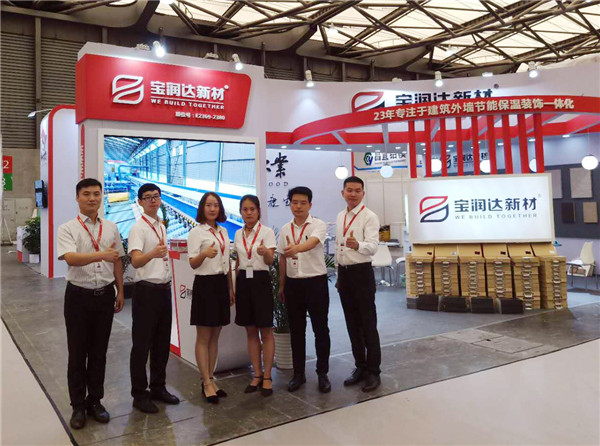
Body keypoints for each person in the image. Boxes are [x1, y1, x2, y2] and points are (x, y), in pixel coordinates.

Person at [57, 178, 125, 430]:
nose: (92, 198)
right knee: (77, 353)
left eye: (96, 193)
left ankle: (95, 401)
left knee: (99, 352)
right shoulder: (67, 228)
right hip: (78, 297)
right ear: (78, 198)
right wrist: (100, 255)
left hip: (105, 296)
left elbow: (117, 260)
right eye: (86, 194)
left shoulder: (111, 227)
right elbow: (70, 258)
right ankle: (77, 406)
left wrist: (120, 289)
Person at [128, 183, 180, 413]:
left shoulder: (161, 225)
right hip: (146, 291)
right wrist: (152, 253)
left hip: (163, 290)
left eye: (156, 196)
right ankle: (140, 394)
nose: (152, 200)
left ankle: (158, 387)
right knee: (142, 345)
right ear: (140, 202)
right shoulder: (138, 228)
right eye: (147, 197)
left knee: (161, 343)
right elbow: (136, 261)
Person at [277, 186, 331, 393]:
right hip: (293, 285)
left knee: (320, 329)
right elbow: (282, 258)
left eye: (302, 203)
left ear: (310, 205)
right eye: (294, 202)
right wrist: (282, 285)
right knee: (297, 331)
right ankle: (298, 374)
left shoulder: (318, 224)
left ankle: (322, 373)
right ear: (290, 204)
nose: (298, 206)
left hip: (316, 283)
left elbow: (313, 242)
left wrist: (297, 248)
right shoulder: (285, 229)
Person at [187, 192, 234, 404]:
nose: (212, 209)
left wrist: (230, 288)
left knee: (216, 335)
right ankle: (205, 382)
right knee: (204, 336)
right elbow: (192, 263)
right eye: (208, 205)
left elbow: (227, 263)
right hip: (205, 285)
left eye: (216, 205)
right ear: (202, 208)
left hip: (221, 283)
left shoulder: (223, 231)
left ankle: (212, 379)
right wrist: (203, 254)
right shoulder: (196, 232)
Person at [335, 176, 382, 392]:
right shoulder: (340, 216)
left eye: (357, 190)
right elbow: (338, 248)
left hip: (362, 273)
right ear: (342, 193)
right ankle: (360, 367)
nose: (353, 194)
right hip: (344, 274)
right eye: (349, 190)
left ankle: (374, 371)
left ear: (363, 193)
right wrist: (339, 275)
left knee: (368, 324)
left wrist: (358, 245)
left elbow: (373, 246)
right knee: (352, 324)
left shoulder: (369, 216)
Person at [233, 195, 277, 397]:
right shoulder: (237, 233)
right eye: (245, 209)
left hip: (261, 281)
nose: (248, 213)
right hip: (244, 281)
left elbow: (270, 261)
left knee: (266, 331)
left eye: (252, 209)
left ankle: (267, 376)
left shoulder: (266, 232)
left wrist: (265, 252)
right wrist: (234, 287)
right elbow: (237, 262)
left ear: (258, 211)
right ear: (241, 212)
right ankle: (257, 374)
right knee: (250, 330)